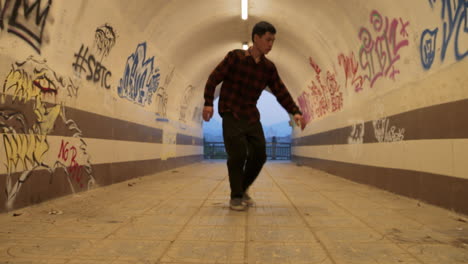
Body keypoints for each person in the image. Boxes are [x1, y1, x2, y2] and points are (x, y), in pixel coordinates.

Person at [202, 21, 304, 211]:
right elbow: (213, 78)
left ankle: (242, 187)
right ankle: (236, 196)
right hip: (231, 111)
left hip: (250, 115)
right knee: (238, 154)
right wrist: (208, 102)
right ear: (256, 38)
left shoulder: (268, 68)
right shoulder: (235, 57)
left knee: (260, 154)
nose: (270, 44)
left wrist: (295, 111)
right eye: (268, 40)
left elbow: (280, 91)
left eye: (273, 41)